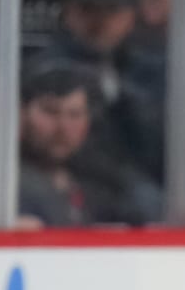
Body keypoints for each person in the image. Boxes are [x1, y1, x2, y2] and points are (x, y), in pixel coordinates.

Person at [16, 64, 148, 227]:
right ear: (21, 115)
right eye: (50, 111)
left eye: (75, 114)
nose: (62, 127)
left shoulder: (106, 185)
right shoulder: (2, 187)